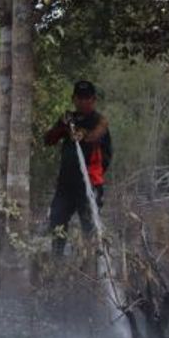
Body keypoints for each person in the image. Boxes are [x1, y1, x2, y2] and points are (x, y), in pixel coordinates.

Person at [43, 80, 112, 256]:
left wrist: (83, 134)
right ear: (73, 99)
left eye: (86, 98)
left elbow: (97, 138)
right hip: (66, 185)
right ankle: (57, 265)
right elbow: (48, 139)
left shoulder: (100, 121)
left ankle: (91, 270)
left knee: (90, 228)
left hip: (89, 185)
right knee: (57, 222)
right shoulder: (68, 120)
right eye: (79, 98)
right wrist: (61, 126)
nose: (82, 102)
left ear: (93, 99)